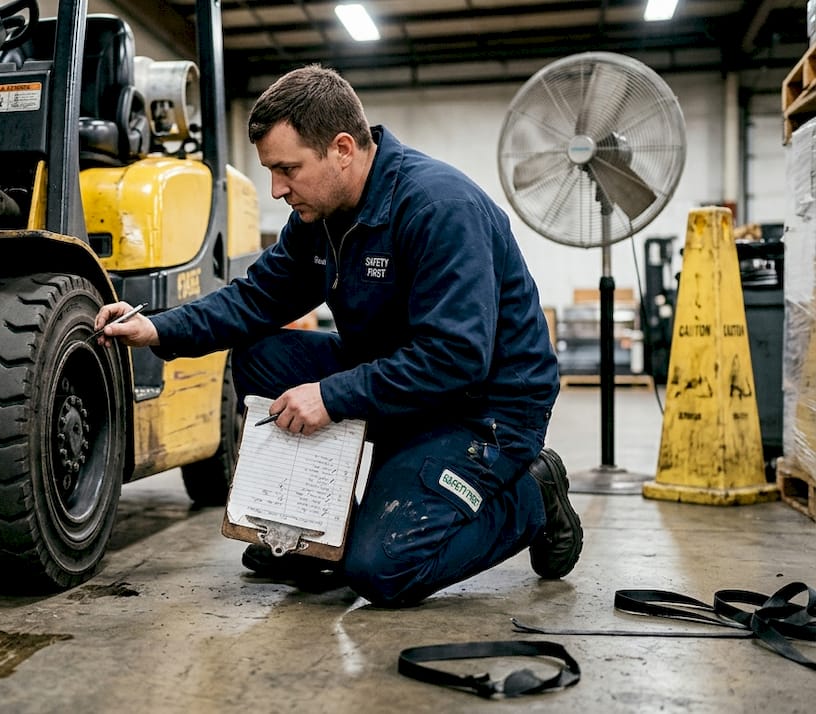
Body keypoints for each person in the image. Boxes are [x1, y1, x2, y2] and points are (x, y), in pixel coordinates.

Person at [94, 65, 583, 607]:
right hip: (400, 381)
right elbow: (257, 298)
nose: (277, 189)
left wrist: (332, 396)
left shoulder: (439, 208)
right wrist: (156, 325)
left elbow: (457, 356)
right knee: (264, 354)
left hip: (481, 408)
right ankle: (311, 533)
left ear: (343, 149)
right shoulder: (322, 216)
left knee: (382, 571)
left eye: (287, 169)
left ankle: (534, 493)